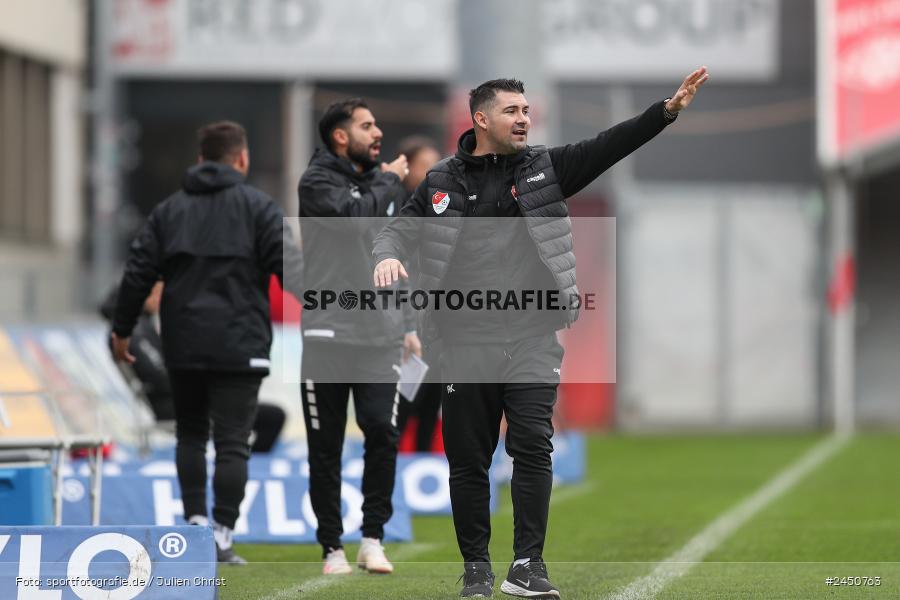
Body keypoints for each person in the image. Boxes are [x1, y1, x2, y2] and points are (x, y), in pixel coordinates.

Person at [373, 68, 709, 597]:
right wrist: (387, 255)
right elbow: (397, 229)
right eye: (511, 111)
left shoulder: (546, 169)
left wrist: (665, 112)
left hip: (532, 335)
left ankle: (527, 565)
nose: (523, 119)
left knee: (533, 445)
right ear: (481, 120)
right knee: (469, 461)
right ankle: (477, 570)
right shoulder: (441, 181)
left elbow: (610, 145)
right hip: (462, 342)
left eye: (526, 111)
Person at [111, 120, 303, 565]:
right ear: (242, 158)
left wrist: (121, 330)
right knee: (234, 441)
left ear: (200, 159)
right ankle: (221, 535)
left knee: (192, 435)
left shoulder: (169, 211)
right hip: (242, 343)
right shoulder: (260, 208)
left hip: (185, 342)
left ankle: (195, 524)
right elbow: (293, 271)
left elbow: (137, 273)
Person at [297, 98, 421, 575]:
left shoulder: (382, 184)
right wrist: (389, 180)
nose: (378, 133)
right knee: (325, 445)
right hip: (328, 334)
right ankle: (332, 546)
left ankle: (372, 539)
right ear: (340, 136)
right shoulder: (317, 182)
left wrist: (408, 323)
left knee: (382, 433)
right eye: (367, 126)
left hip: (381, 334)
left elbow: (395, 254)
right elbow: (355, 221)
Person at [100, 282, 287, 452]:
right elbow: (159, 376)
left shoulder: (141, 327)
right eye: (155, 293)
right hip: (182, 405)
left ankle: (240, 464)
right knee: (272, 417)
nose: (160, 298)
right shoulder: (132, 333)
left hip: (186, 400)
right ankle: (245, 467)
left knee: (266, 415)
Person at [393, 136, 444, 452]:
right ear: (406, 167)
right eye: (424, 165)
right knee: (402, 403)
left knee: (430, 405)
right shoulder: (394, 210)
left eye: (435, 165)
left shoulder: (441, 208)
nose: (432, 172)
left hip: (437, 323)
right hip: (406, 323)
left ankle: (423, 461)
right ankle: (391, 469)